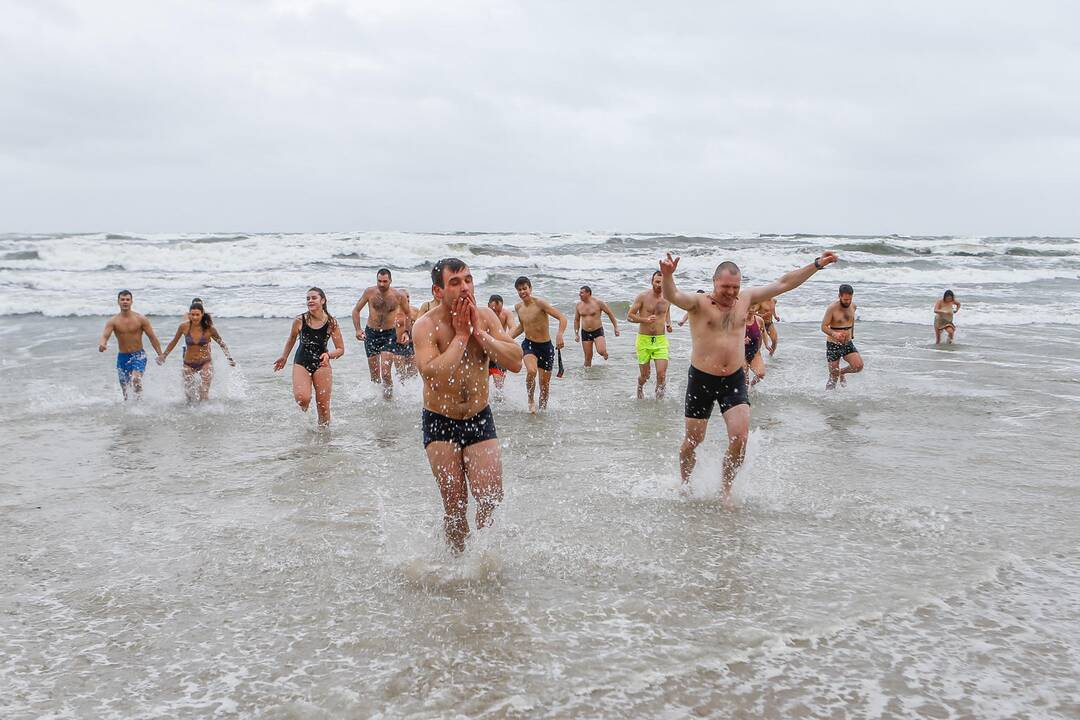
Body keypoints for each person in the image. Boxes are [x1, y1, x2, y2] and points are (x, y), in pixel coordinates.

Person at [662, 251, 839, 506]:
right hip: (701, 378)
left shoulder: (745, 299)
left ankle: (726, 490)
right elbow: (672, 295)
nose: (731, 292)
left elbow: (784, 283)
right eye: (725, 287)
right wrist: (668, 276)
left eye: (735, 287)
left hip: (733, 378)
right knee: (693, 441)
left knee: (740, 438)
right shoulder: (698, 303)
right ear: (714, 282)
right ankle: (685, 485)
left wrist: (816, 265)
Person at [413, 258, 523, 552]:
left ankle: (484, 562)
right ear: (438, 291)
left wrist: (479, 333)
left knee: (490, 497)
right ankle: (456, 565)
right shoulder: (425, 325)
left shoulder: (485, 316)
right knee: (455, 504)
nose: (465, 288)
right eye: (455, 282)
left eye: (468, 280)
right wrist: (461, 337)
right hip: (440, 421)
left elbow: (514, 362)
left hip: (478, 417)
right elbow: (433, 375)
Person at [273, 287, 345, 426]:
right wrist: (284, 357)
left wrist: (328, 355)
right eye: (308, 299)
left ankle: (324, 437)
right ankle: (306, 421)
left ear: (322, 300)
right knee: (303, 398)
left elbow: (341, 349)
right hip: (302, 361)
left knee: (323, 405)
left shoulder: (331, 322)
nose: (310, 301)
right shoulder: (300, 320)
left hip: (322, 363)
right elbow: (292, 339)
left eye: (313, 298)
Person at [510, 276, 567, 413]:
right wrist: (505, 338)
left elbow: (562, 318)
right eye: (519, 290)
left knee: (544, 386)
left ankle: (542, 412)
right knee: (531, 371)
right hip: (529, 345)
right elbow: (522, 327)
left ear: (530, 288)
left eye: (525, 288)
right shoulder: (518, 307)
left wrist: (559, 334)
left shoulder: (540, 303)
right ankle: (530, 400)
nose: (522, 292)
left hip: (546, 347)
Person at [161, 300, 236, 402]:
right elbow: (173, 342)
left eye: (197, 315)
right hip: (188, 363)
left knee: (203, 394)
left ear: (202, 314)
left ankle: (205, 415)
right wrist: (164, 355)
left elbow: (221, 343)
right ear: (189, 314)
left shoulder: (209, 329)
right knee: (189, 397)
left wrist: (229, 358)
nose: (195, 317)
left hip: (205, 362)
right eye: (192, 315)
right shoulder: (184, 326)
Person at [97, 290, 165, 400]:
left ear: (132, 301)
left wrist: (160, 354)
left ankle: (140, 403)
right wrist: (102, 344)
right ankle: (129, 410)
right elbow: (105, 336)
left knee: (136, 379)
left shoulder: (141, 319)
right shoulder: (113, 321)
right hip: (122, 357)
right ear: (118, 302)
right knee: (125, 390)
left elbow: (152, 337)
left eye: (127, 299)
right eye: (122, 299)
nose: (125, 302)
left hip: (139, 355)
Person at [352, 268, 406, 398]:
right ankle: (378, 401)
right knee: (375, 376)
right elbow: (356, 311)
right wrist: (358, 329)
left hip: (389, 334)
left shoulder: (398, 296)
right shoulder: (369, 292)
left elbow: (407, 313)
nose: (382, 284)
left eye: (385, 281)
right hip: (371, 334)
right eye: (379, 281)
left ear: (390, 281)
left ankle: (388, 400)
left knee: (386, 373)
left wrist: (404, 332)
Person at [628, 271, 673, 399]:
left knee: (661, 374)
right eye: (657, 282)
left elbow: (666, 312)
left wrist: (668, 324)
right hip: (644, 340)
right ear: (652, 282)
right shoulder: (642, 297)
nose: (659, 285)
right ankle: (640, 387)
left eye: (662, 282)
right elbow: (629, 316)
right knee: (645, 376)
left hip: (660, 341)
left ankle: (659, 402)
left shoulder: (668, 298)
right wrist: (644, 320)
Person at [821, 283, 865, 389]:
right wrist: (834, 334)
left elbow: (851, 320)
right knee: (833, 377)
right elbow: (823, 326)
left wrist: (852, 334)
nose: (848, 302)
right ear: (839, 296)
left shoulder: (853, 306)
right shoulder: (832, 308)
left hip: (847, 343)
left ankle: (842, 372)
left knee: (858, 366)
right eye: (845, 300)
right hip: (833, 344)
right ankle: (828, 398)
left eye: (849, 299)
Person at [573, 286, 620, 366]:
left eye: (582, 293)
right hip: (585, 332)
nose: (579, 294)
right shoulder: (578, 305)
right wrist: (576, 334)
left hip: (597, 331)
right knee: (588, 357)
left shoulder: (598, 303)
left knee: (601, 351)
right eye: (579, 292)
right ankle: (587, 376)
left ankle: (604, 353)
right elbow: (576, 320)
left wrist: (616, 327)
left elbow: (610, 313)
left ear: (588, 293)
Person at [487, 294, 516, 393]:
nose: (496, 314)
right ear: (488, 306)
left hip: (499, 352)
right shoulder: (482, 314)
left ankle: (500, 406)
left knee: (499, 386)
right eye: (493, 310)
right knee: (482, 385)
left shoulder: (506, 314)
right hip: (485, 352)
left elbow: (513, 328)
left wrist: (504, 339)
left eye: (498, 311)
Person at [391, 288, 419, 379]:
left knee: (413, 375)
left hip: (412, 344)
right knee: (401, 376)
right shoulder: (393, 313)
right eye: (404, 297)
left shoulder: (415, 311)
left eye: (408, 296)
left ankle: (412, 393)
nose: (407, 299)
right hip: (398, 345)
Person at [744, 307, 766, 386]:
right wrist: (742, 340)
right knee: (744, 377)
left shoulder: (759, 320)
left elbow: (763, 333)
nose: (751, 309)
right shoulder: (739, 320)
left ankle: (752, 385)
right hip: (741, 352)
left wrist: (766, 345)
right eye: (749, 307)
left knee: (761, 374)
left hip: (755, 351)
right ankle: (745, 395)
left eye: (753, 307)